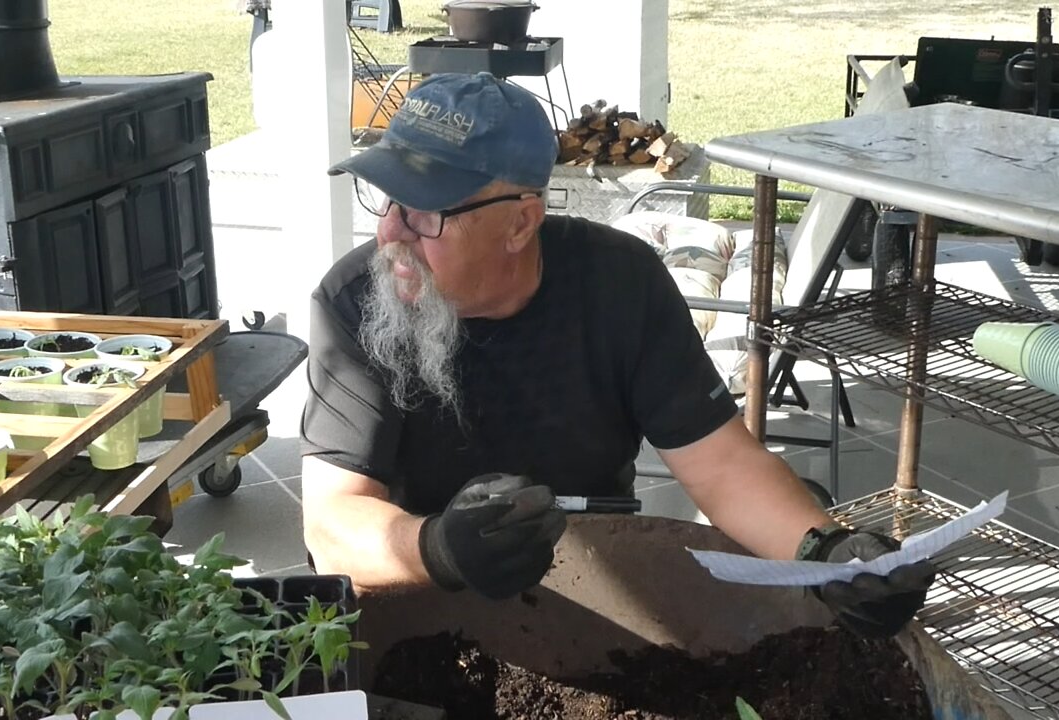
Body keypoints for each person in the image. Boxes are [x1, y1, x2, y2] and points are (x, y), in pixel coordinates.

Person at [300, 72, 934, 638]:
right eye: (387, 202)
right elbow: (330, 524)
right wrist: (438, 547)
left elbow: (718, 465)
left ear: (522, 222)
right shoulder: (357, 301)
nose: (389, 235)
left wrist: (825, 554)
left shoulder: (619, 282)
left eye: (424, 215)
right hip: (410, 602)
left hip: (592, 587)